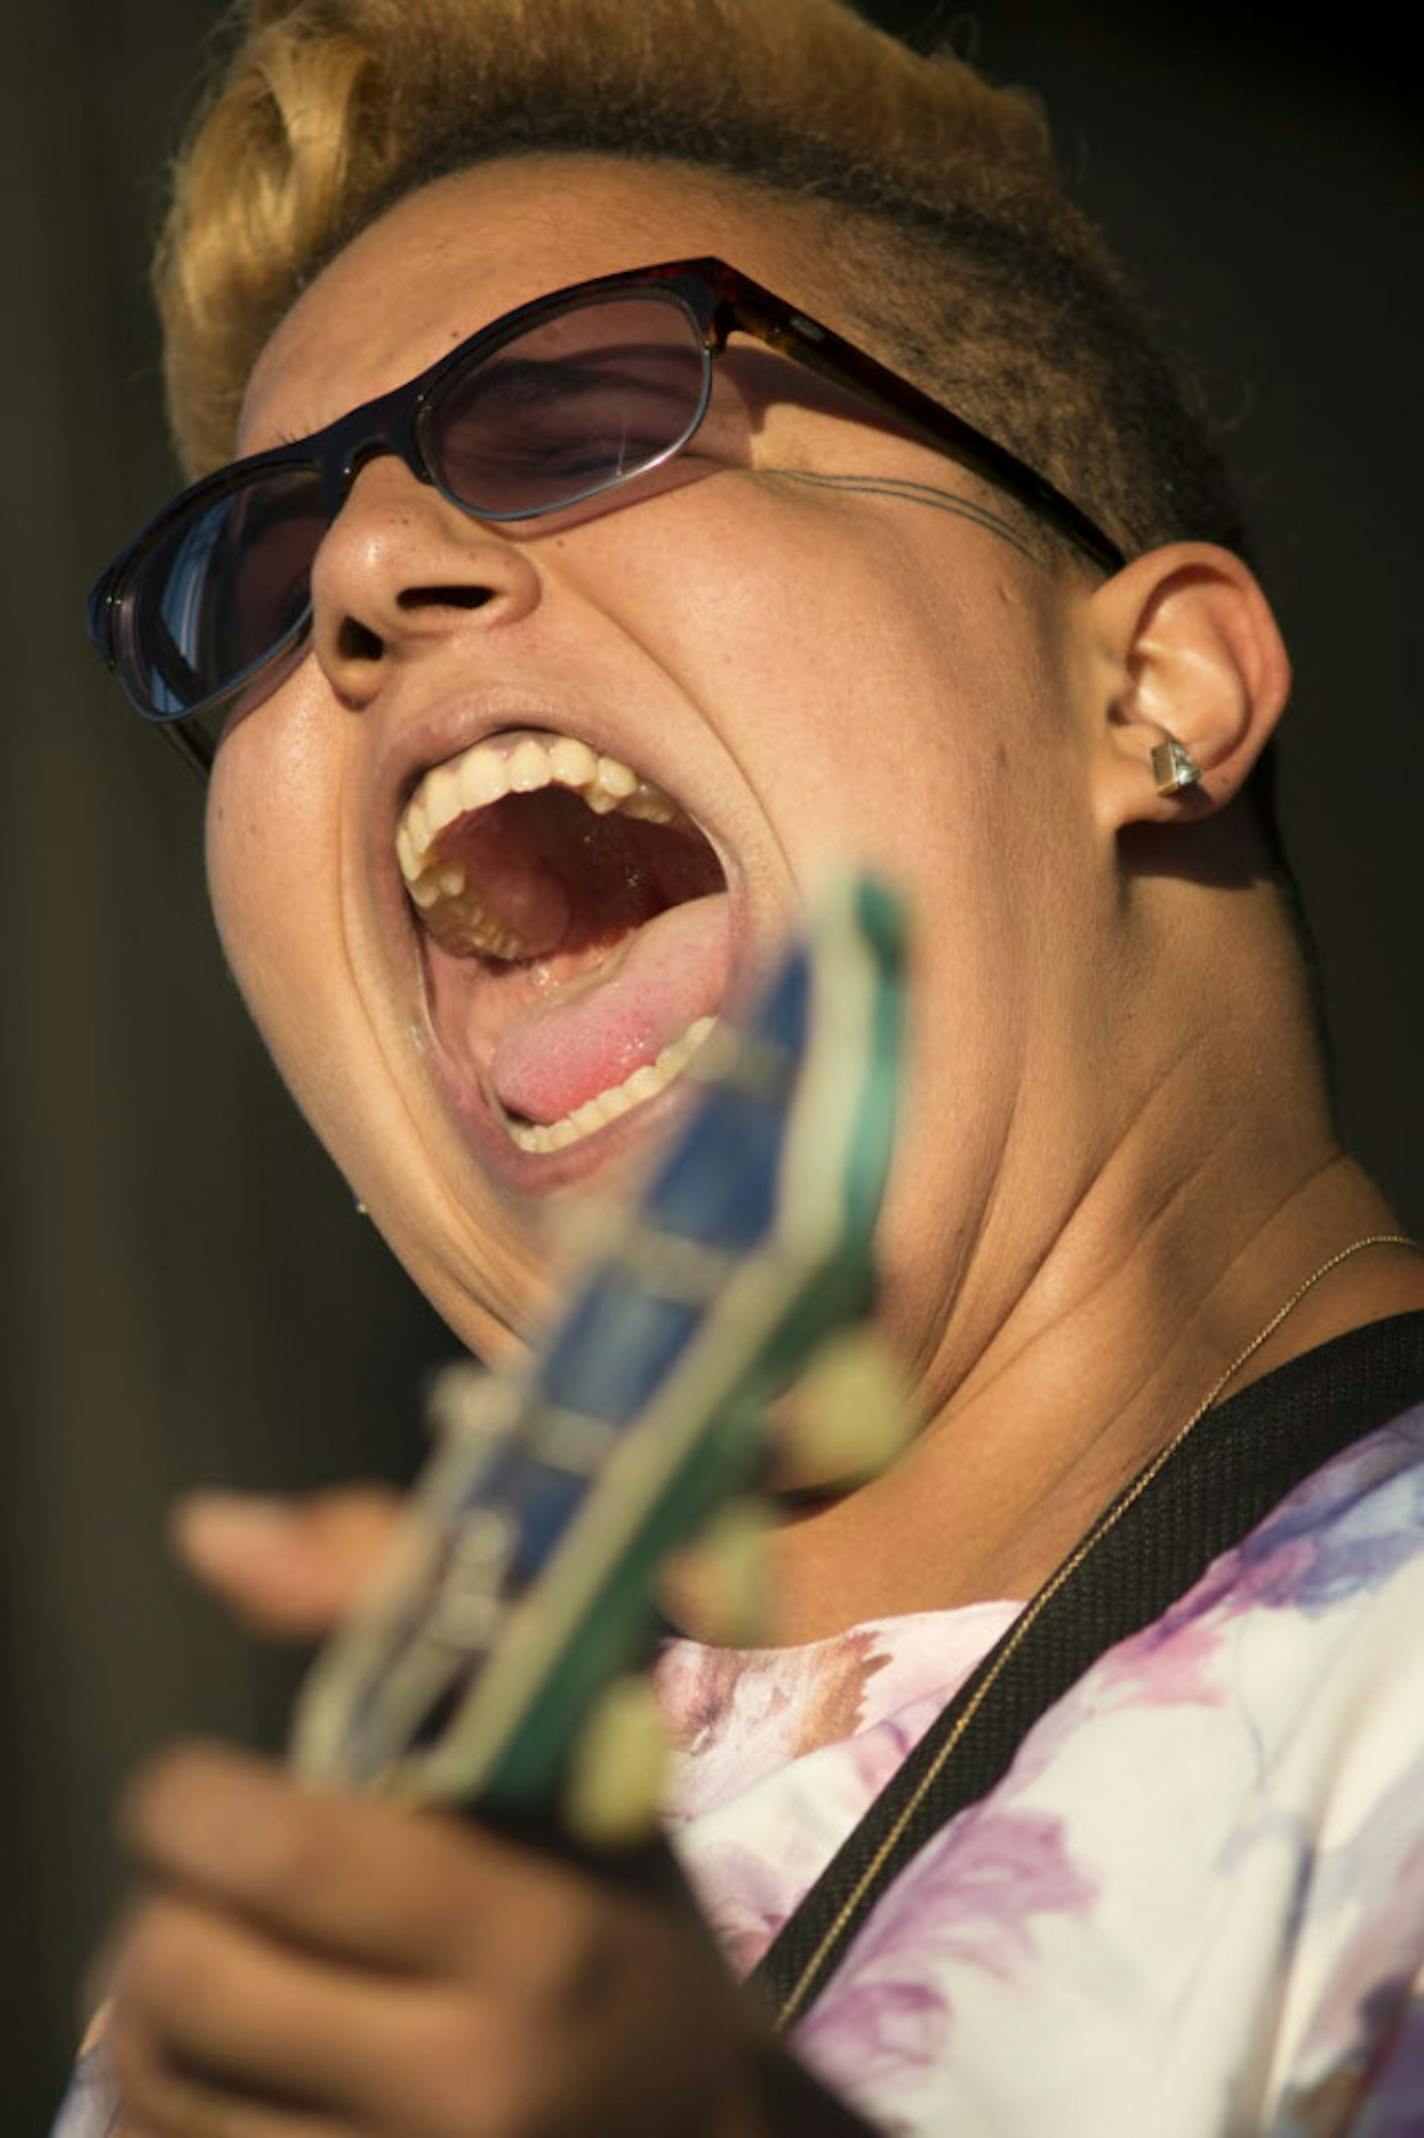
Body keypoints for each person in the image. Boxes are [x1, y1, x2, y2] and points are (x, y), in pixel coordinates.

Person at [56, 0, 1424, 2132]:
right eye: (245, 574)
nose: (355, 574)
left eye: (581, 401)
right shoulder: (341, 1962)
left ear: (1152, 688)